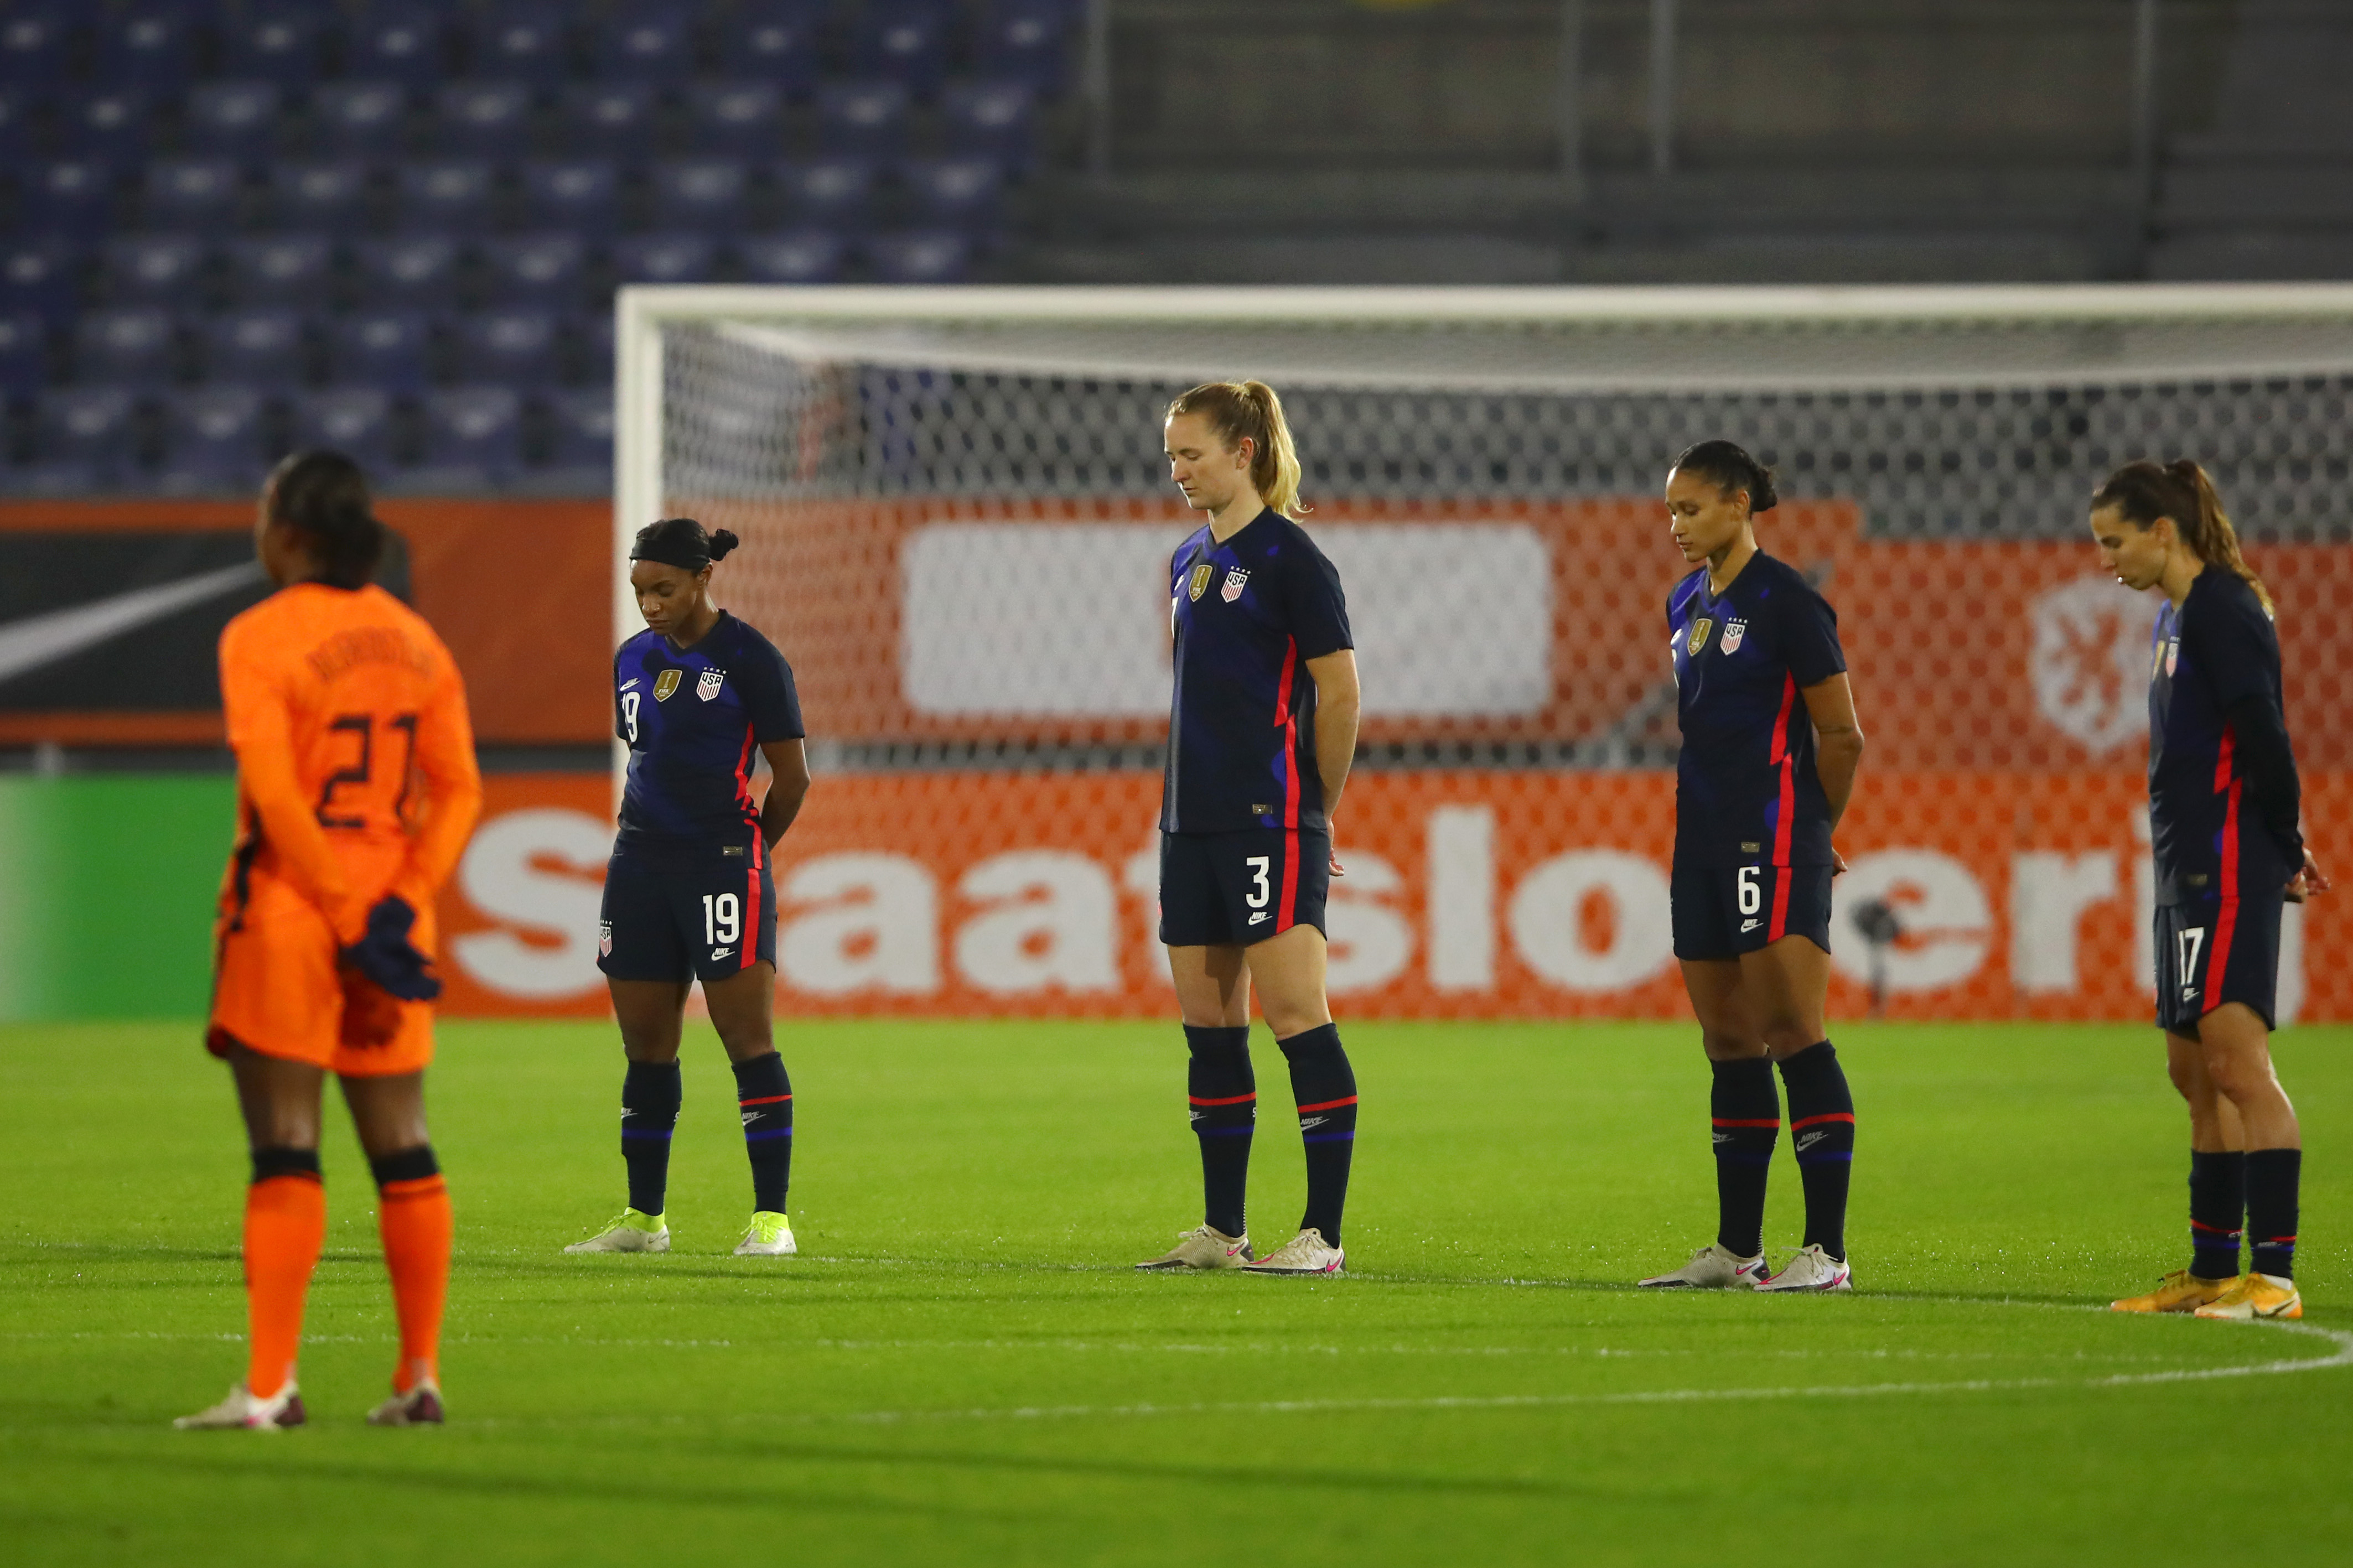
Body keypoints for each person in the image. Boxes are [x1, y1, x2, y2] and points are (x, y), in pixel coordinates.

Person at [178, 451, 483, 1431]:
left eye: (264, 513)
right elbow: (461, 789)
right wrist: (397, 908)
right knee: (403, 1145)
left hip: (293, 917)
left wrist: (348, 918)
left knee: (286, 1149)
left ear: (292, 535)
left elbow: (274, 792)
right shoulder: (418, 640)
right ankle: (421, 1376)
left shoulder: (258, 636)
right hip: (395, 917)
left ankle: (270, 1387)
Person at [1136, 381, 1363, 1278]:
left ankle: (1322, 1234)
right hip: (1189, 821)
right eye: (1172, 457)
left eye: (1193, 453)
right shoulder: (1186, 559)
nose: (1180, 471)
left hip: (1271, 818)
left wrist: (1318, 805)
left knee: (1297, 1016)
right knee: (1209, 1024)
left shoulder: (1293, 560)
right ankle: (1223, 1229)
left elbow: (1339, 692)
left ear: (1245, 451)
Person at [2093, 460, 2326, 1322]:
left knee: (2238, 1063)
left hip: (2229, 863)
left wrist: (2285, 843)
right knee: (2193, 1073)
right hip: (2183, 866)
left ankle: (2274, 1277)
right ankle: (2211, 1270)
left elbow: (2264, 730)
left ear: (2164, 531)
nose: (2106, 558)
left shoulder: (2226, 607)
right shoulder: (2176, 616)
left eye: (2115, 540)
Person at [1639, 440, 1865, 1294]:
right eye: (1670, 511)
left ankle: (1827, 1252)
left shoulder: (1789, 600)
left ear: (1740, 505)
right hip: (1698, 839)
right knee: (1728, 1043)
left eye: (1691, 509)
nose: (1677, 526)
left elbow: (1841, 734)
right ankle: (1739, 1250)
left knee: (1793, 1036)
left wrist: (1811, 829)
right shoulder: (1685, 602)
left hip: (1770, 841)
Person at [567, 518, 812, 1259]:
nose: (649, 603)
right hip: (638, 863)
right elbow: (649, 758)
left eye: (663, 588)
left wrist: (747, 854)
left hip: (722, 861)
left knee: (746, 1039)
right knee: (645, 1045)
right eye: (639, 590)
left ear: (703, 578)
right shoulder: (632, 659)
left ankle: (772, 1220)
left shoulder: (750, 657)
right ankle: (645, 1219)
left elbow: (793, 778)